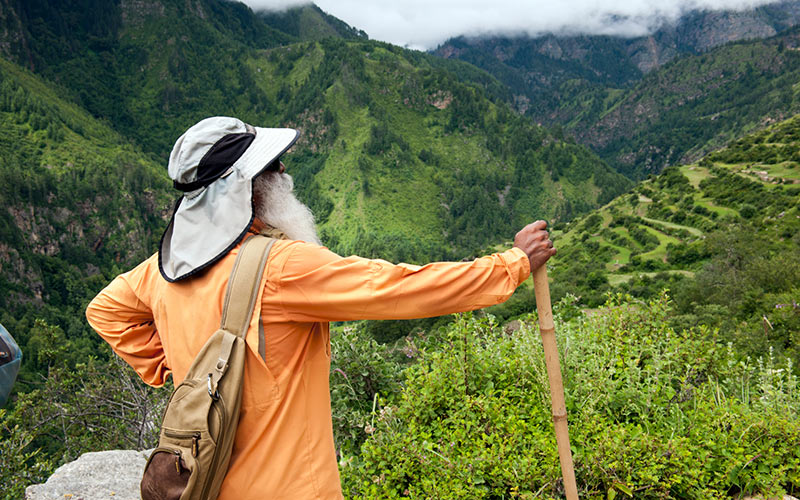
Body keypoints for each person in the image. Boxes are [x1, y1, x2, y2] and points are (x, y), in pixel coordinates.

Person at [86, 116, 556, 500]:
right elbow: (398, 288)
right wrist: (511, 264)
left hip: (204, 485)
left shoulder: (166, 269)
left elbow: (105, 311)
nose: (285, 172)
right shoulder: (283, 267)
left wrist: (177, 366)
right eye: (274, 166)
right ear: (248, 188)